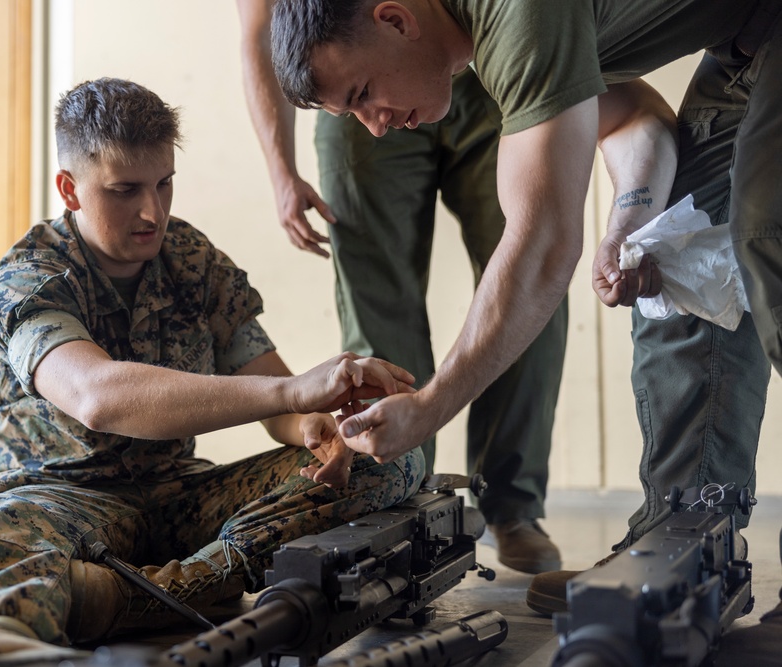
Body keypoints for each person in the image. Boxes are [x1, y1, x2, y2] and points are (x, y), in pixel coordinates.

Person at [0, 77, 424, 667]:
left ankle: (112, 599)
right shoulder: (30, 277)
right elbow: (96, 395)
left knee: (395, 459)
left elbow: (279, 401)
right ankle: (4, 646)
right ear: (69, 188)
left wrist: (325, 427)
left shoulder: (193, 259)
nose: (153, 212)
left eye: (165, 184)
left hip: (179, 498)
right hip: (60, 500)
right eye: (125, 191)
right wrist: (292, 390)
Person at [268, 0, 782, 639]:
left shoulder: (516, 13)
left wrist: (431, 405)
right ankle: (675, 543)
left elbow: (541, 248)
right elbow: (637, 119)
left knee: (767, 237)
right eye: (352, 113)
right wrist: (630, 222)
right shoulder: (489, 40)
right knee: (682, 260)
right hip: (742, 44)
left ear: (395, 20)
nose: (373, 126)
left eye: (364, 93)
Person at [236, 0, 569, 575]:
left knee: (526, 272)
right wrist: (280, 168)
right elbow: (258, 28)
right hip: (353, 73)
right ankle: (402, 501)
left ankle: (511, 506)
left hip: (480, 52)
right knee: (378, 311)